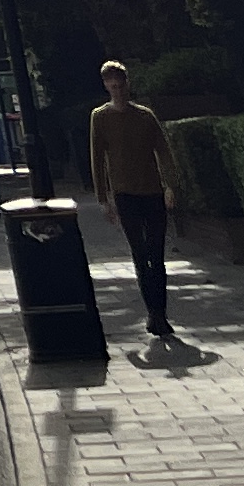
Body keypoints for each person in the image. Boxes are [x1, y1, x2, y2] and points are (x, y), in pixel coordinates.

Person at [89, 61, 177, 344]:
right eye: (112, 85)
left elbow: (163, 150)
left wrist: (170, 185)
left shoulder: (144, 116)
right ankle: (152, 312)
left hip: (152, 191)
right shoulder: (100, 117)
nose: (117, 90)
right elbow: (97, 159)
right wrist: (103, 199)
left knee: (156, 255)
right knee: (140, 254)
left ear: (127, 84)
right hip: (124, 194)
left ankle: (160, 312)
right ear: (106, 86)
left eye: (120, 84)